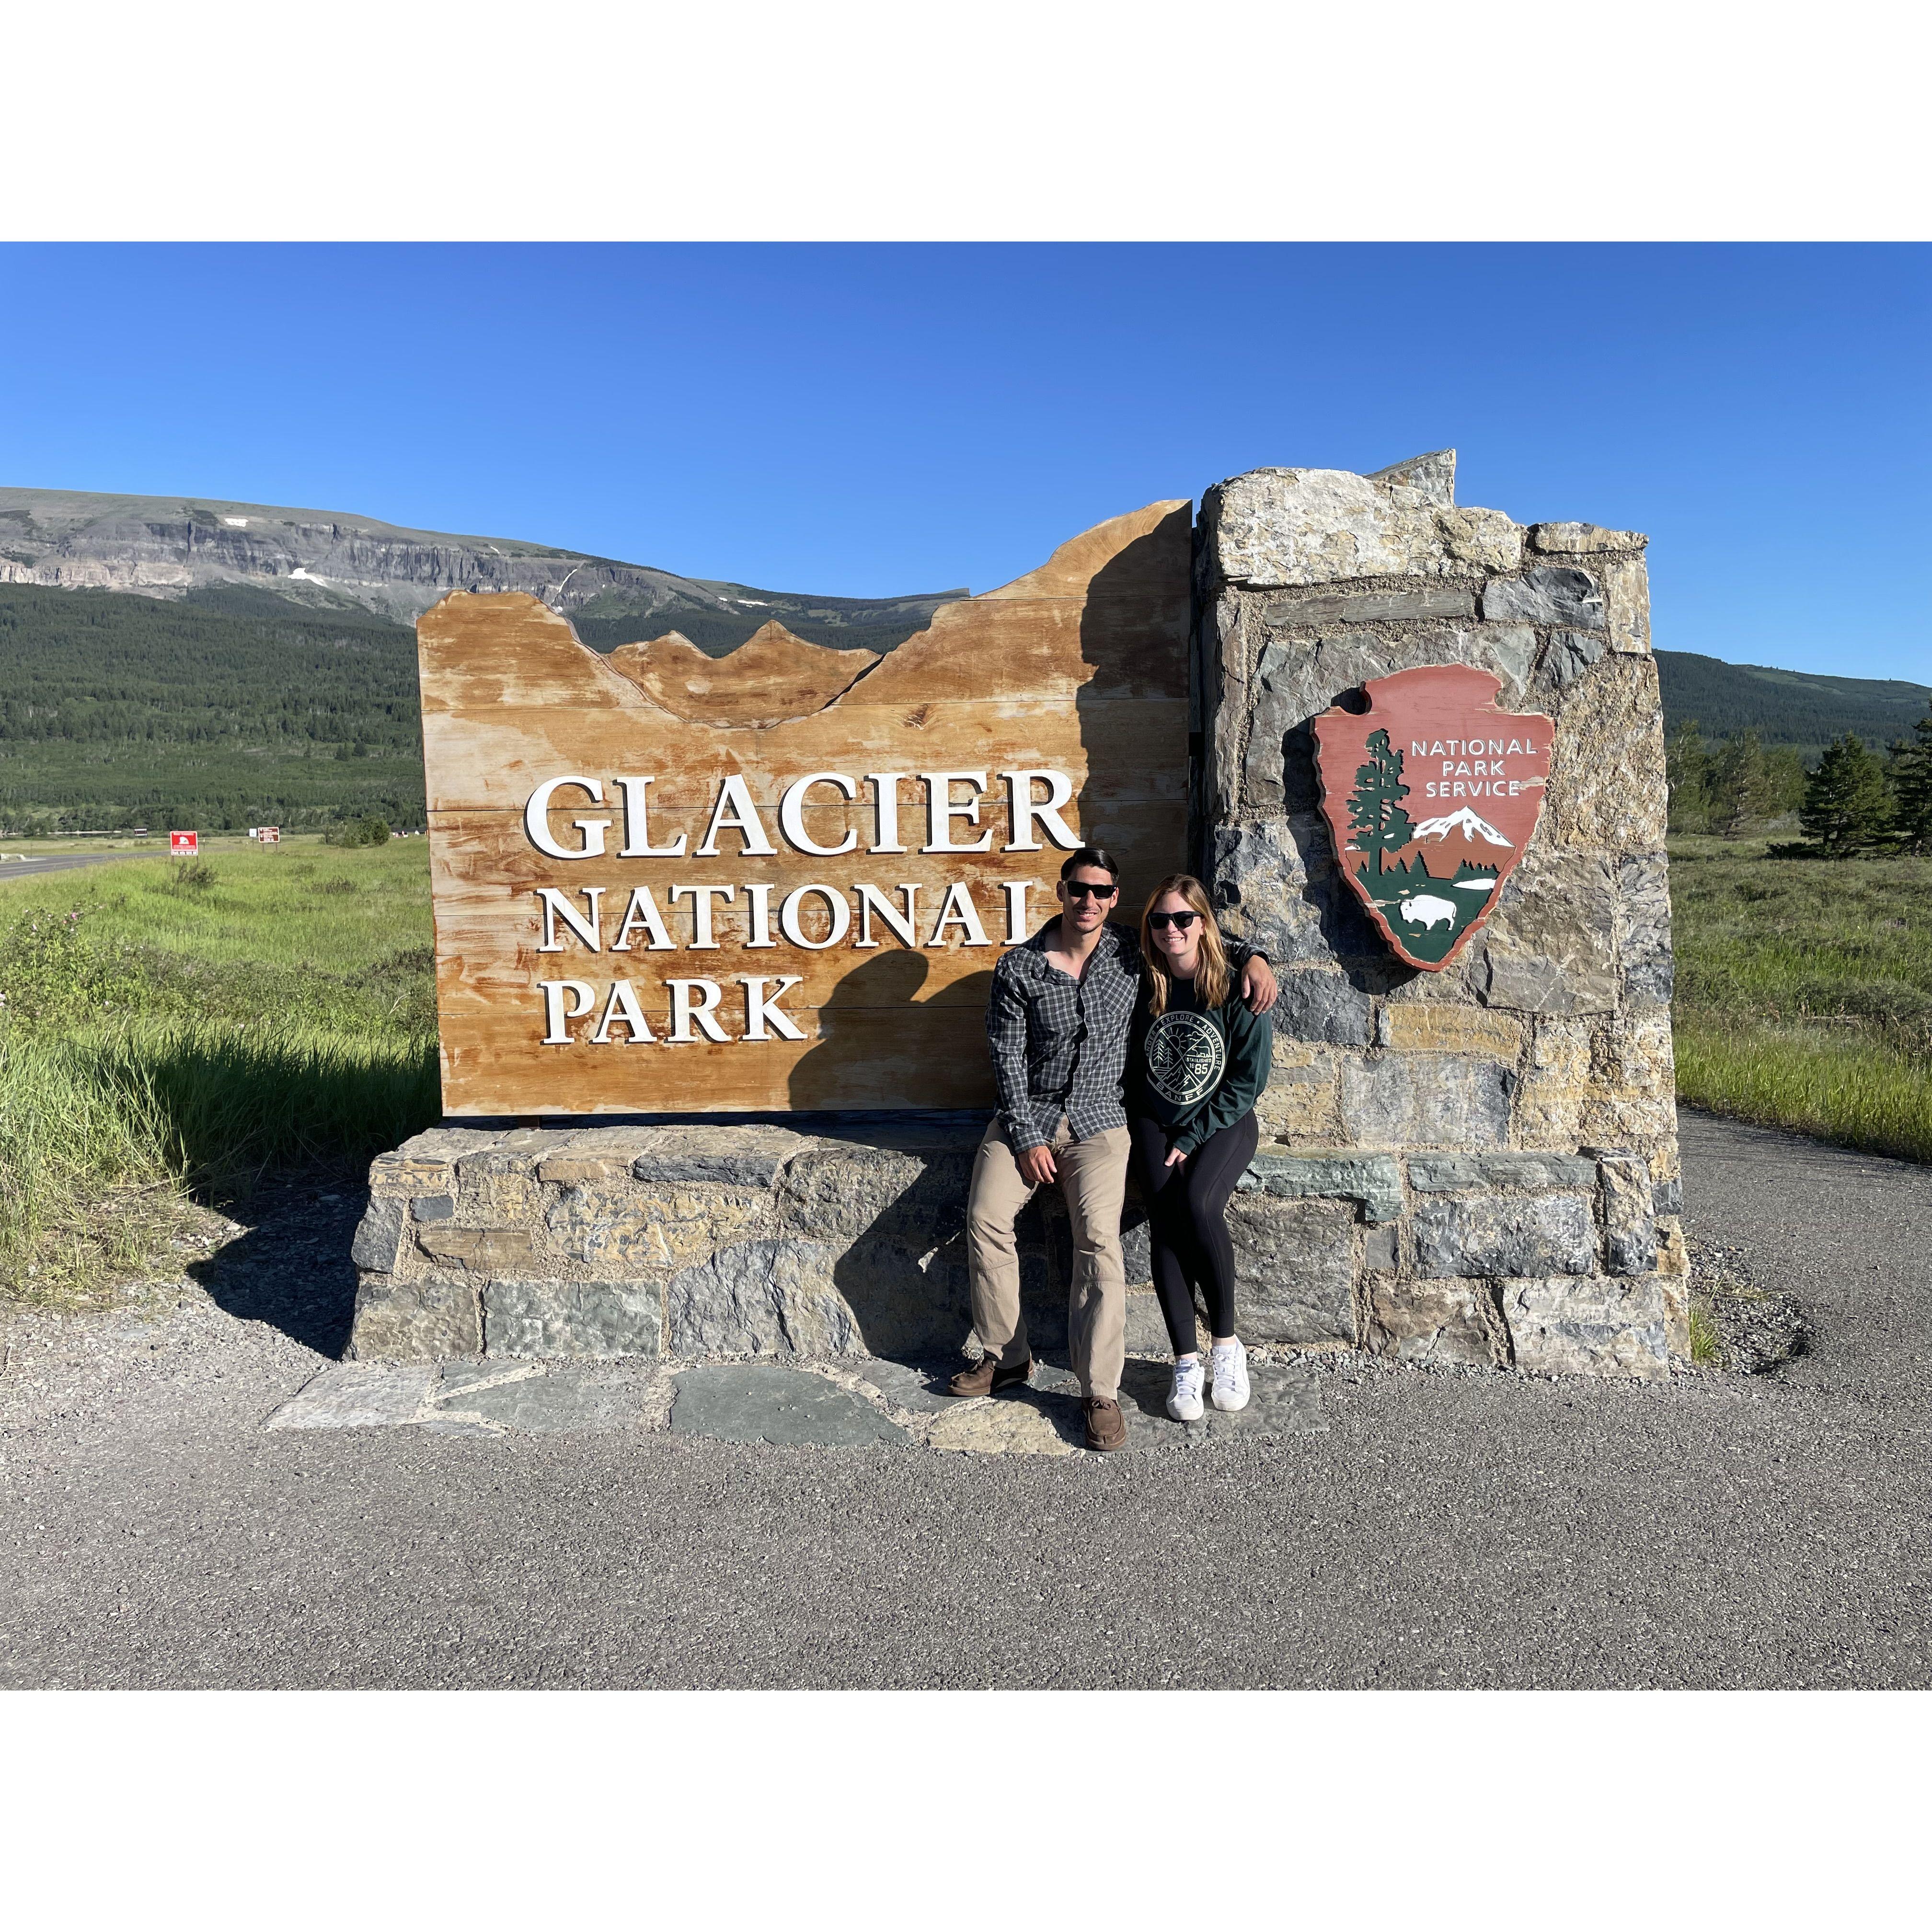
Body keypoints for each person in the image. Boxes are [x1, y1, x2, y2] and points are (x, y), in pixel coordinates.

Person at [948, 847, 1277, 1452]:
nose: (1089, 901)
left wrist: (1256, 957)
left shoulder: (1130, 950)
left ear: (1114, 899)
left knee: (1098, 1237)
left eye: (1101, 892)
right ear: (1062, 890)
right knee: (985, 1218)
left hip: (1101, 1122)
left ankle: (1099, 1391)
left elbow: (1198, 941)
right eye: (1079, 889)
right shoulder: (1019, 968)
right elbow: (1006, 1061)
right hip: (1031, 1118)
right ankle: (1005, 1356)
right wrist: (1025, 1137)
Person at [1127, 874, 1272, 1422]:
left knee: (1199, 1206)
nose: (1171, 930)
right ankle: (1186, 1363)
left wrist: (1192, 1135)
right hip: (1153, 1120)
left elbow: (1246, 1083)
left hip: (1223, 1122)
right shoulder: (1141, 982)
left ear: (1204, 924)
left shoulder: (1238, 988)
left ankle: (1227, 1347)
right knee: (1165, 1218)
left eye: (1183, 919)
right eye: (1160, 921)